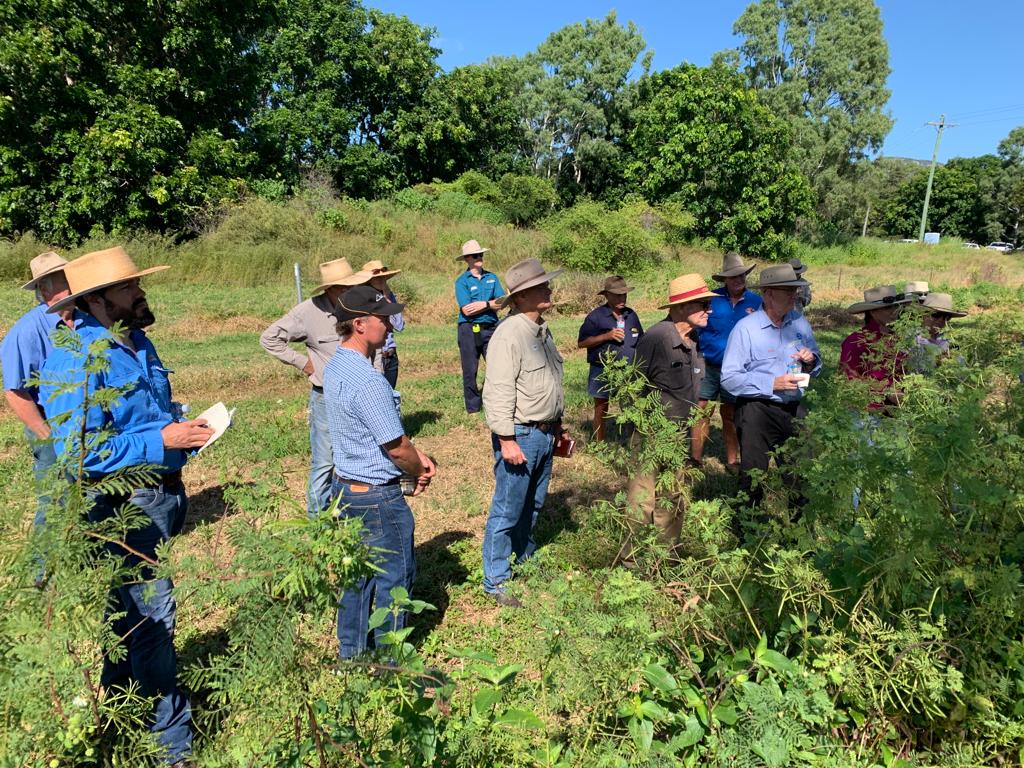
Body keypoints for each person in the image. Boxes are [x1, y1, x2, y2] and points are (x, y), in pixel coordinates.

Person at [40, 246, 212, 765]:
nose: (140, 292)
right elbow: (79, 454)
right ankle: (171, 748)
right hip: (122, 505)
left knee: (127, 618)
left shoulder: (139, 341)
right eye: (129, 287)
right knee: (153, 621)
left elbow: (151, 414)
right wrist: (162, 441)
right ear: (97, 300)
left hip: (162, 494)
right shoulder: (75, 359)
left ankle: (118, 716)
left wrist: (182, 429)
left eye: (137, 283)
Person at [323, 285, 436, 659]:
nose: (389, 325)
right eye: (382, 318)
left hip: (345, 488)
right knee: (394, 579)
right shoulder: (369, 381)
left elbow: (373, 435)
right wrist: (417, 469)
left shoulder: (337, 365)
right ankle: (390, 660)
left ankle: (351, 655)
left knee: (356, 576)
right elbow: (396, 447)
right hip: (376, 498)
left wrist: (414, 457)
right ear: (359, 324)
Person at [481, 258, 566, 608]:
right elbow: (498, 390)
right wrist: (506, 439)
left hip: (543, 433)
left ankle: (524, 559)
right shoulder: (509, 334)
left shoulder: (541, 330)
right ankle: (496, 580)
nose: (548, 289)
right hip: (521, 434)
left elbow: (549, 382)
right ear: (520, 297)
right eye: (540, 287)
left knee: (533, 504)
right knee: (508, 507)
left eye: (546, 284)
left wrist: (558, 426)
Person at [260, 258, 368, 517]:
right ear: (329, 289)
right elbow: (269, 338)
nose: (349, 292)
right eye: (343, 287)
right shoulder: (307, 312)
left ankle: (355, 512)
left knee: (361, 453)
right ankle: (318, 521)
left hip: (361, 393)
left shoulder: (360, 305)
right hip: (326, 395)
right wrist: (305, 364)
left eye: (351, 286)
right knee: (325, 460)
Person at [624, 274, 715, 558]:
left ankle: (666, 557)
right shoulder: (656, 338)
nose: (709, 310)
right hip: (652, 433)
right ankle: (633, 560)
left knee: (673, 496)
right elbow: (632, 385)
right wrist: (645, 425)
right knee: (642, 497)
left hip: (679, 434)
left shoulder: (694, 339)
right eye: (702, 304)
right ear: (681, 307)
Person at [721, 264, 822, 510]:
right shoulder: (746, 329)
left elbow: (816, 362)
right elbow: (729, 378)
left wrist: (811, 360)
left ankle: (800, 529)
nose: (794, 295)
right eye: (788, 291)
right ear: (768, 294)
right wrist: (771, 384)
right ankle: (747, 526)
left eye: (795, 290)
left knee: (800, 475)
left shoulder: (799, 322)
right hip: (756, 410)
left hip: (794, 408)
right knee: (753, 475)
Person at [1, 251, 72, 529]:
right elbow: (15, 391)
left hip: (87, 424)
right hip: (52, 425)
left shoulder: (85, 319)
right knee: (57, 500)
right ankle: (43, 556)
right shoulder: (26, 331)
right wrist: (47, 435)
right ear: (44, 288)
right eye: (65, 279)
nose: (75, 281)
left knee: (89, 496)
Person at [692, 253, 761, 471]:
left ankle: (733, 460)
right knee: (701, 410)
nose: (738, 279)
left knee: (730, 413)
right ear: (725, 279)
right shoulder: (711, 299)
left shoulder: (756, 302)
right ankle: (695, 459)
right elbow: (696, 324)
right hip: (708, 364)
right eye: (733, 276)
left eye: (741, 275)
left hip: (738, 369)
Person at [577, 275, 643, 441]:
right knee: (601, 407)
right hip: (602, 369)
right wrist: (607, 336)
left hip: (628, 370)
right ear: (606, 295)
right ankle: (599, 443)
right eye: (617, 295)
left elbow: (641, 339)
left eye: (624, 295)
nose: (622, 299)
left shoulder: (631, 315)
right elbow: (582, 342)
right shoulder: (596, 317)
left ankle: (633, 442)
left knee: (631, 407)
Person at [839, 286, 914, 410]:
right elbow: (848, 380)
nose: (894, 311)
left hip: (903, 409)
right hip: (869, 411)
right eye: (888, 307)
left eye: (896, 306)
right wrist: (886, 391)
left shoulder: (901, 338)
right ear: (873, 312)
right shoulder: (856, 341)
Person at [454, 239, 506, 413]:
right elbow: (467, 310)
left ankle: (498, 400)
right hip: (469, 328)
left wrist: (484, 304)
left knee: (497, 365)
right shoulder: (462, 281)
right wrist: (491, 304)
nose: (479, 258)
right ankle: (473, 407)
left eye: (481, 254)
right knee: (470, 369)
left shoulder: (492, 277)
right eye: (475, 255)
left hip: (491, 326)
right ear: (467, 259)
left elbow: (502, 302)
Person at [361, 259, 405, 389]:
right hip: (373, 357)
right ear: (369, 280)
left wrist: (387, 299)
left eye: (383, 277)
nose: (382, 280)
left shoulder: (389, 296)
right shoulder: (363, 299)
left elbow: (399, 326)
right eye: (377, 277)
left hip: (390, 355)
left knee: (391, 395)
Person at [908, 292, 966, 373]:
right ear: (923, 314)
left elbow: (962, 369)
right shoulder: (911, 339)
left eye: (946, 317)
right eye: (936, 314)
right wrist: (938, 361)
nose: (941, 320)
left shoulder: (949, 341)